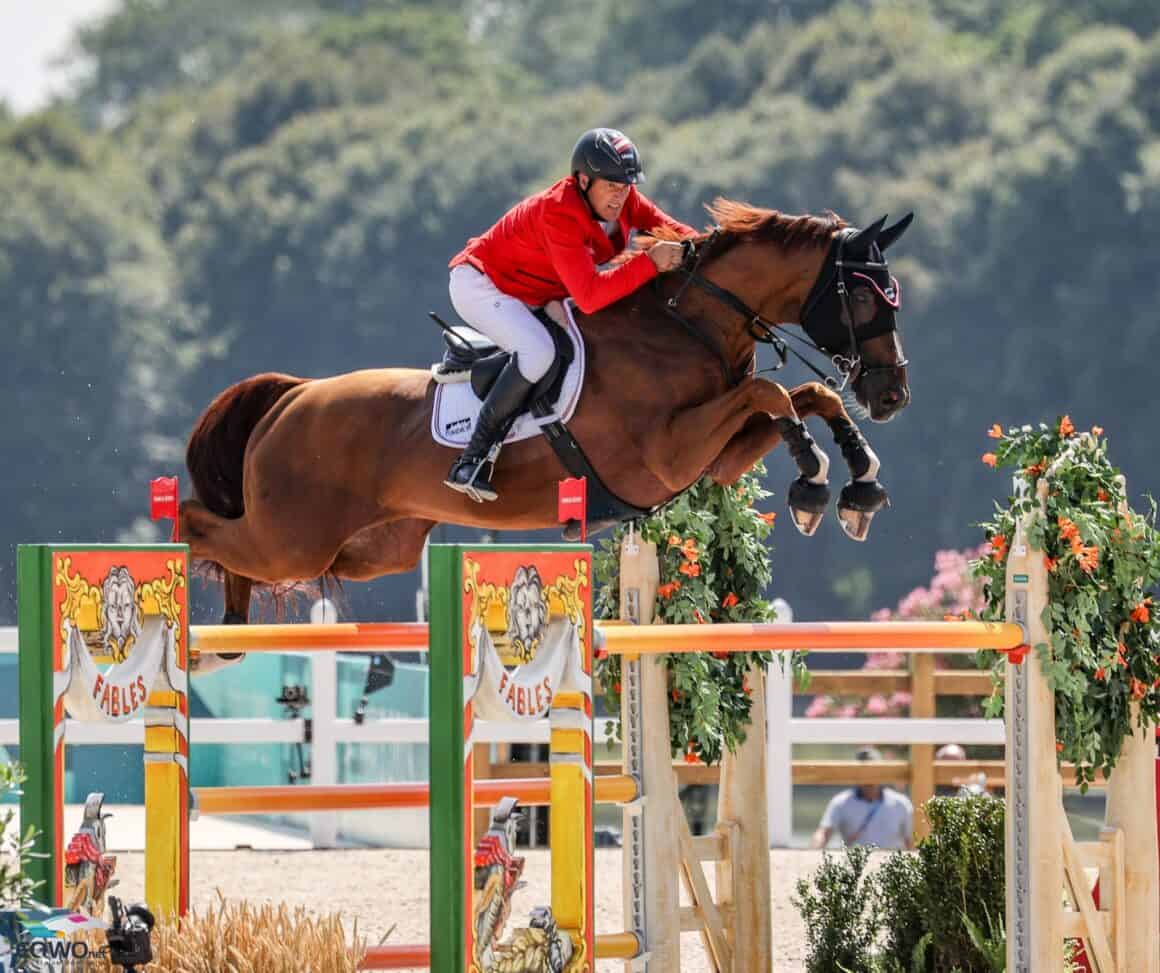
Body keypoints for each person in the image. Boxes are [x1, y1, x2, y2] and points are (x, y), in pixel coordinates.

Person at [444, 127, 696, 501]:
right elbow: (592, 296)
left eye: (626, 184)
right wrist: (649, 263)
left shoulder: (626, 202)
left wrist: (721, 249)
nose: (620, 194)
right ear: (582, 180)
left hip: (534, 291)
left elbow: (680, 233)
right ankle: (474, 459)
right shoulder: (557, 213)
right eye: (611, 185)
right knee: (539, 351)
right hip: (482, 285)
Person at [810, 747, 915, 850]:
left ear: (881, 772)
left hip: (892, 866)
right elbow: (823, 833)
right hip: (856, 865)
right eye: (863, 772)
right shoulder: (840, 802)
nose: (868, 778)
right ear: (855, 774)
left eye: (873, 771)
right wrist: (814, 851)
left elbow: (911, 842)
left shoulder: (901, 803)